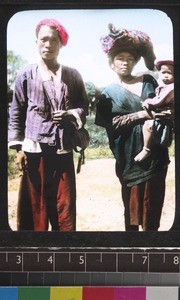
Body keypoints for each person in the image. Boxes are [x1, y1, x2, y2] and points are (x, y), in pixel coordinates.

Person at [8, 19, 89, 231]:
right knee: (37, 207)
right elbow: (17, 110)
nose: (48, 44)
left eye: (54, 40)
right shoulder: (26, 74)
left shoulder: (73, 75)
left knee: (64, 207)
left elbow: (83, 105)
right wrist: (18, 149)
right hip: (34, 151)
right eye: (44, 39)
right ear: (36, 42)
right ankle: (37, 253)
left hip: (63, 149)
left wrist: (71, 114)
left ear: (61, 44)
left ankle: (65, 253)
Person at [95, 24, 173, 231]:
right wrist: (141, 114)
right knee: (131, 218)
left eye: (130, 59)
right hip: (128, 160)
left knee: (152, 214)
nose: (125, 63)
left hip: (155, 157)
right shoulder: (108, 93)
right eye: (120, 58)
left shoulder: (149, 80)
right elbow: (111, 125)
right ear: (111, 63)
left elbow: (167, 101)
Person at [134, 60, 174, 161]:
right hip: (162, 112)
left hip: (166, 114)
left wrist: (147, 102)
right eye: (163, 73)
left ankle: (146, 149)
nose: (165, 76)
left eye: (169, 73)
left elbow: (158, 102)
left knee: (148, 125)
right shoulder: (164, 86)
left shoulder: (171, 88)